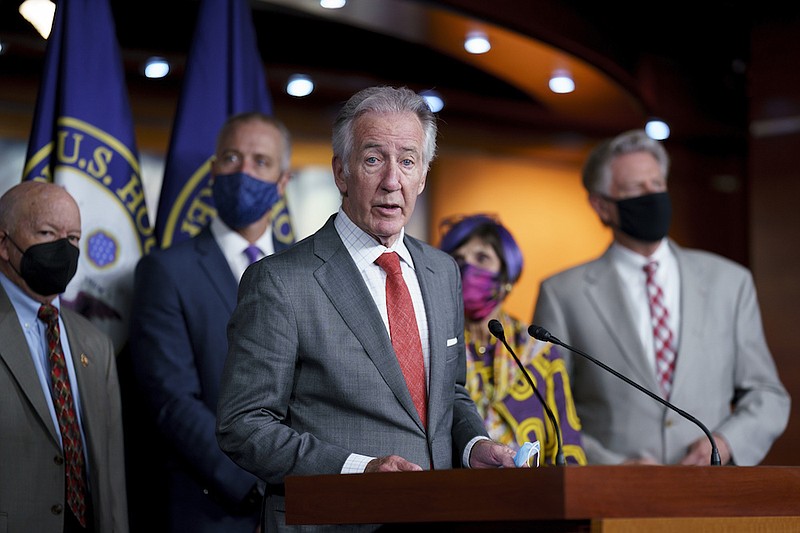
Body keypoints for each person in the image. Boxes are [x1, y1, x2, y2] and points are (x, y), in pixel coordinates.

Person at [216, 86, 521, 532]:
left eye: (408, 161)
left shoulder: (441, 271)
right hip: (332, 522)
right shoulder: (280, 281)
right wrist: (358, 469)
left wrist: (473, 445)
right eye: (374, 159)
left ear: (422, 177)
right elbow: (243, 425)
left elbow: (449, 395)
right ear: (341, 172)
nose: (392, 180)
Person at [533, 129, 790, 466]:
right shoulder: (562, 294)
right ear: (601, 206)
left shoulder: (730, 282)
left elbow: (767, 395)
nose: (650, 195)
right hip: (611, 500)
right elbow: (543, 407)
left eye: (657, 185)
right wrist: (610, 466)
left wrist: (725, 444)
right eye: (636, 189)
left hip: (710, 495)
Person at [128, 112, 293, 532]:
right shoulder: (165, 271)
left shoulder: (308, 270)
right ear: (213, 169)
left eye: (260, 161)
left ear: (283, 180)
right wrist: (260, 485)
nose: (243, 171)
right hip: (213, 508)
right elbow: (172, 401)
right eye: (231, 158)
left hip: (304, 508)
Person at [0, 181, 128, 532]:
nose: (64, 248)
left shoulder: (95, 343)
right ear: (3, 244)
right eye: (46, 232)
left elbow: (110, 475)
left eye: (73, 238)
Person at [439, 214, 586, 466]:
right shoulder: (435, 343)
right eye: (458, 259)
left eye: (481, 258)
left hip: (532, 495)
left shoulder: (538, 350)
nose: (467, 268)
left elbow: (568, 443)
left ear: (506, 277)